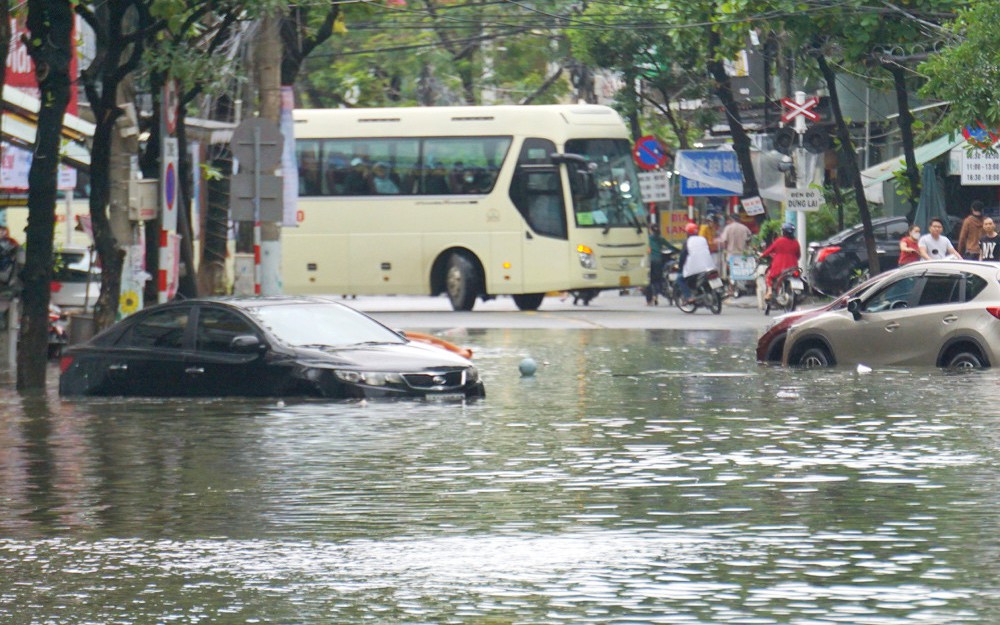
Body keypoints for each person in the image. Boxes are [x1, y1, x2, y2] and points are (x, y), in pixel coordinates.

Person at [760, 222, 801, 301]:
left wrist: (762, 255)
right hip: (793, 267)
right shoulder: (796, 242)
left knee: (769, 277)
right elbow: (798, 255)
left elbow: (769, 250)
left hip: (779, 266)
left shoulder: (779, 241)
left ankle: (769, 291)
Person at [678, 221, 715, 304]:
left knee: (680, 279)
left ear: (687, 232)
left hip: (694, 268)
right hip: (709, 266)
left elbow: (683, 256)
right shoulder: (703, 239)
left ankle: (689, 297)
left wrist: (680, 266)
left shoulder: (687, 242)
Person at [717, 212, 752, 293]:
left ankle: (732, 288)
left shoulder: (728, 228)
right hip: (743, 254)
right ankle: (743, 287)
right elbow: (749, 240)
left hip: (731, 254)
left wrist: (725, 249)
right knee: (742, 271)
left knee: (731, 272)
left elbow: (724, 241)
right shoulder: (745, 228)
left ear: (731, 220)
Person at [645, 223, 671, 306]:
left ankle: (649, 300)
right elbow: (670, 246)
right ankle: (656, 296)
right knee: (658, 280)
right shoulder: (661, 238)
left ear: (650, 230)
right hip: (659, 261)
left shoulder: (647, 239)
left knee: (648, 281)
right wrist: (679, 251)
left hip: (650, 261)